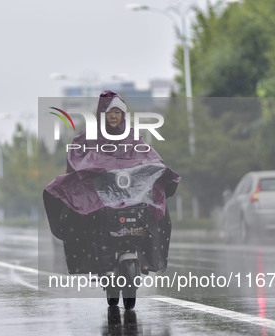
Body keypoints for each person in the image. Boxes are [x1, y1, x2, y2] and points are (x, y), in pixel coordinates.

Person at [43, 90, 180, 276]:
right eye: (110, 112)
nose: (113, 116)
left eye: (117, 112)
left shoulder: (132, 136)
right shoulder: (89, 135)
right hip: (98, 193)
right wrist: (92, 172)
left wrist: (155, 169)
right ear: (102, 114)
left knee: (157, 206)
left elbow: (148, 156)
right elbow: (77, 158)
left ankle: (148, 260)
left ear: (123, 115)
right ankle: (93, 264)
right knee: (74, 211)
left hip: (131, 193)